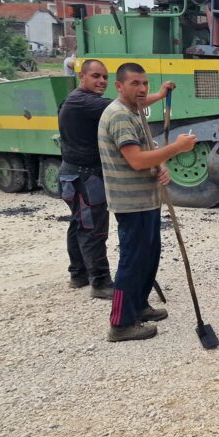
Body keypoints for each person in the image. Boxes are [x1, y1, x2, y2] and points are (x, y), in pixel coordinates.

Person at [58, 60, 175, 299]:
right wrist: (160, 95)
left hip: (73, 174)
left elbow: (134, 102)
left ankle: (78, 273)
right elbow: (131, 104)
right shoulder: (86, 102)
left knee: (80, 224)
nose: (101, 81)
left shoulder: (79, 100)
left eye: (104, 77)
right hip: (84, 176)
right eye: (95, 76)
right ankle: (100, 282)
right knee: (93, 229)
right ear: (82, 77)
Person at [97, 62, 196, 342]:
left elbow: (146, 156)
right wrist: (175, 148)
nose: (141, 89)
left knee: (148, 256)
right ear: (119, 86)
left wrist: (160, 166)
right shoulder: (119, 116)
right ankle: (120, 324)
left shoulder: (134, 110)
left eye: (145, 83)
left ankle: (139, 305)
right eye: (134, 84)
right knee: (132, 261)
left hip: (146, 199)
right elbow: (136, 160)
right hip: (131, 202)